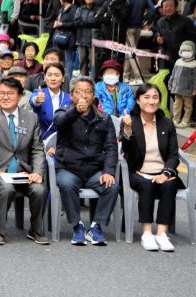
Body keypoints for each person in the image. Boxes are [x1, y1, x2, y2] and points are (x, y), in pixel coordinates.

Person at [0, 78, 49, 245]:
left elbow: (37, 149)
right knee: (6, 188)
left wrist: (37, 172)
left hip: (23, 170)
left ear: (20, 96)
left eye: (10, 93)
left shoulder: (31, 118)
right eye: (1, 93)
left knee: (39, 189)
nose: (5, 97)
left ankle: (36, 230)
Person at [53, 77, 119, 246]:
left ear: (93, 95)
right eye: (79, 92)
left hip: (93, 170)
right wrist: (76, 111)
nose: (83, 96)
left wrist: (108, 171)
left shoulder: (104, 118)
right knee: (67, 184)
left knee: (111, 185)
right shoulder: (63, 112)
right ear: (72, 95)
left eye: (88, 92)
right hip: (68, 168)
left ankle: (96, 226)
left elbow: (111, 147)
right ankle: (77, 225)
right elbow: (59, 123)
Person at [120, 84, 182, 252]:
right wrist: (127, 129)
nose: (151, 101)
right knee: (147, 184)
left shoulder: (167, 124)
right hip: (138, 172)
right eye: (146, 97)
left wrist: (166, 173)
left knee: (169, 184)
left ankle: (162, 233)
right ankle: (147, 233)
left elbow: (173, 154)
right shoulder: (130, 121)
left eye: (155, 97)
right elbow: (127, 152)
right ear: (138, 101)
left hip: (162, 172)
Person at [29, 62, 69, 140]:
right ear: (45, 77)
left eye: (57, 75)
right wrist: (37, 100)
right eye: (49, 75)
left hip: (63, 141)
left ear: (63, 78)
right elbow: (33, 100)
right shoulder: (38, 93)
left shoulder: (69, 98)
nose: (53, 78)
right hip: (41, 140)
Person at [169, 40, 196, 127]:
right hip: (177, 88)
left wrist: (195, 88)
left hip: (188, 90)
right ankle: (176, 119)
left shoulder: (194, 64)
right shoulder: (178, 61)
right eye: (183, 50)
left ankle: (185, 121)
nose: (186, 53)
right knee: (177, 105)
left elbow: (195, 78)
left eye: (188, 51)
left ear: (193, 51)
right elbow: (173, 74)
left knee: (188, 106)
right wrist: (170, 83)